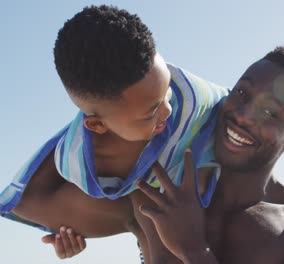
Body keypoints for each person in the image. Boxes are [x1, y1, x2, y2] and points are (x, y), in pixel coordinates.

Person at [56, 46, 284, 263]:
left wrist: (193, 249)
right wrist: (68, 239)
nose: (243, 116)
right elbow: (42, 205)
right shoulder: (159, 187)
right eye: (242, 93)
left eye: (270, 113)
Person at [0, 5, 227, 263]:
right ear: (97, 125)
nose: (168, 110)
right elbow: (25, 203)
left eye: (166, 91)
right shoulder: (76, 161)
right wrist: (68, 228)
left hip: (194, 188)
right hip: (126, 200)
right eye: (151, 112)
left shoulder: (191, 97)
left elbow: (244, 106)